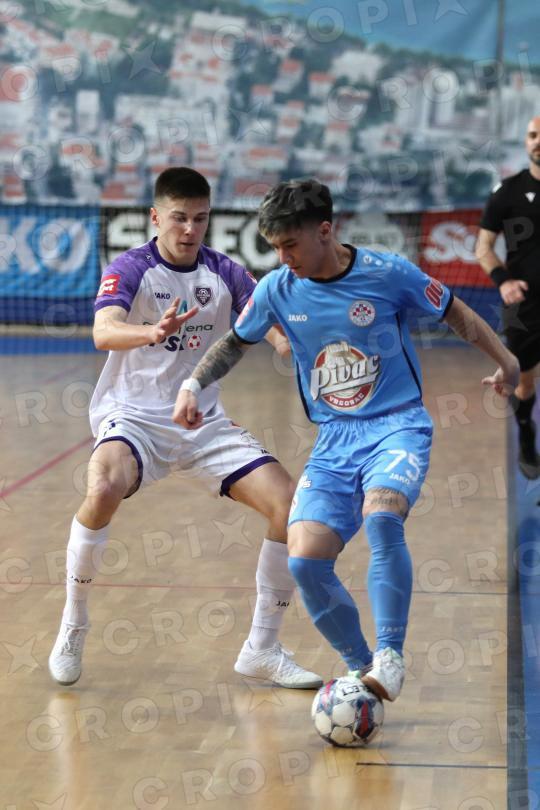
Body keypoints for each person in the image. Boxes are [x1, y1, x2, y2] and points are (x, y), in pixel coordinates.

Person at [173, 178, 519, 702]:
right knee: (304, 560)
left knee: (382, 516)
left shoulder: (388, 272)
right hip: (334, 440)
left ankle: (391, 655)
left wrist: (507, 362)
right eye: (275, 248)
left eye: (290, 245)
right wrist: (192, 385)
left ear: (325, 231)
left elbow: (454, 311)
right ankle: (364, 672)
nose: (283, 258)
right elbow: (234, 342)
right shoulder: (277, 289)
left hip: (397, 425)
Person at [48, 167, 323, 690]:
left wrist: (300, 346)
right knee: (102, 487)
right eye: (179, 218)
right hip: (134, 417)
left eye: (200, 218)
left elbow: (273, 331)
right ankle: (74, 622)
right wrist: (151, 331)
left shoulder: (226, 273)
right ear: (155, 217)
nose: (190, 229)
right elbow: (103, 332)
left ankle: (262, 649)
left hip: (202, 422)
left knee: (289, 505)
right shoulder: (131, 268)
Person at [476, 115, 540, 479]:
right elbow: (483, 247)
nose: (537, 141)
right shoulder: (508, 192)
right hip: (524, 305)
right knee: (524, 380)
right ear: (526, 141)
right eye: (532, 135)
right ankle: (527, 437)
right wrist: (503, 281)